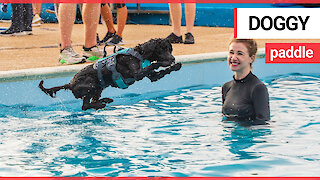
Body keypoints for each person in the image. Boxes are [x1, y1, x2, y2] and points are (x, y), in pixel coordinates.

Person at [222, 39, 270, 124]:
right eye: (231, 52)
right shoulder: (226, 87)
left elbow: (263, 123)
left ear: (251, 58)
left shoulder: (257, 88)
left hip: (248, 136)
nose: (233, 57)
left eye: (240, 53)